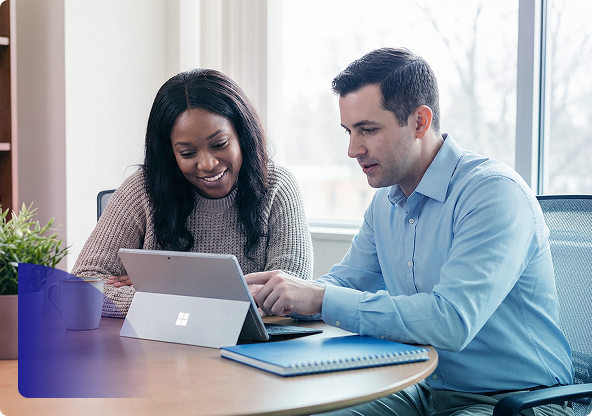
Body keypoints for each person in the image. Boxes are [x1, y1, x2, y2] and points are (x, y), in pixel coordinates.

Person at [247, 48, 574, 415]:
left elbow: (449, 321)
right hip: (426, 389)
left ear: (419, 122)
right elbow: (346, 285)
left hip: (514, 401)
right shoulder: (386, 203)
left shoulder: (493, 194)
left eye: (368, 130)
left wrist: (319, 298)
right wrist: (277, 295)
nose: (353, 149)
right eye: (349, 131)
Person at [72, 69, 313, 318]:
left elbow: (289, 293)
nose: (207, 164)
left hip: (247, 349)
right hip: (158, 348)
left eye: (219, 144)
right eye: (187, 153)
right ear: (169, 153)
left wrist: (157, 290)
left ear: (242, 135)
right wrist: (228, 296)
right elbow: (82, 285)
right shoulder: (142, 190)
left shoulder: (277, 186)